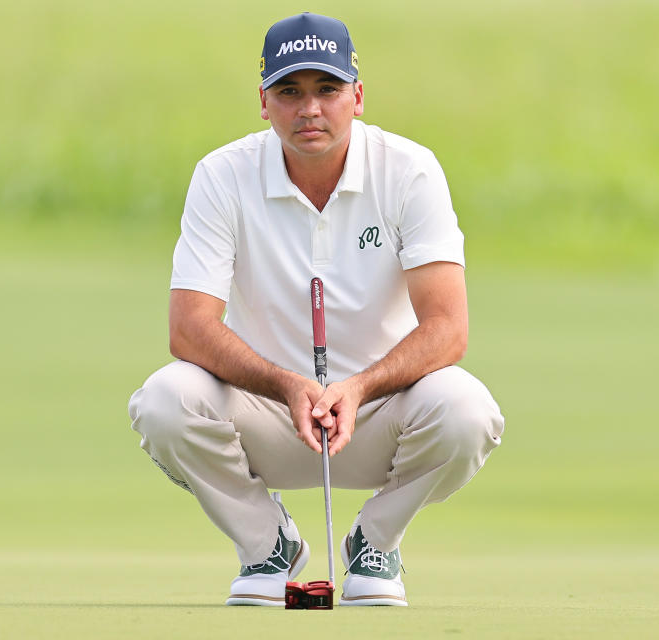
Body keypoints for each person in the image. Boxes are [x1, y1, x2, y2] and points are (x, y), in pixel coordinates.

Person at [128, 12, 504, 607]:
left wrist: (358, 388)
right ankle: (267, 545)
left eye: (327, 90)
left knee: (468, 411)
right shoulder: (222, 175)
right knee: (163, 401)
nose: (310, 109)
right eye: (290, 92)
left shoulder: (409, 171)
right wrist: (286, 384)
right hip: (265, 411)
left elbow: (447, 329)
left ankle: (375, 542)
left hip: (383, 413)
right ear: (263, 102)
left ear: (357, 96)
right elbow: (189, 327)